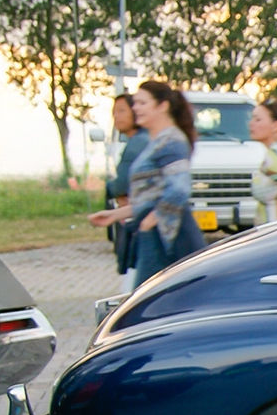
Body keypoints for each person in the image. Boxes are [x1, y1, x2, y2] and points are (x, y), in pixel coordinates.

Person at [87, 81, 206, 285]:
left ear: (163, 106)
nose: (135, 108)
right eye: (135, 103)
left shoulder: (171, 141)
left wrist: (151, 220)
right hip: (155, 233)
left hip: (167, 236)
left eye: (142, 103)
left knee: (148, 307)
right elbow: (152, 196)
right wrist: (115, 215)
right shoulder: (158, 141)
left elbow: (179, 188)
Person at [106, 93, 150, 281]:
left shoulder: (137, 142)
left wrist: (109, 188)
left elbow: (121, 185)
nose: (117, 116)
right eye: (114, 112)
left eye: (122, 110)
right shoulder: (141, 140)